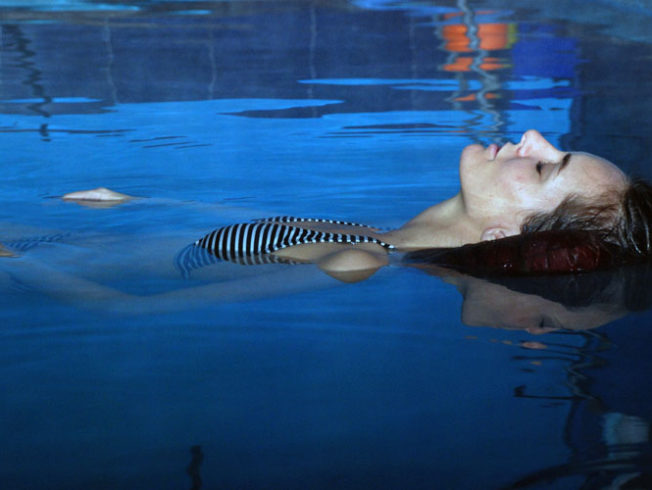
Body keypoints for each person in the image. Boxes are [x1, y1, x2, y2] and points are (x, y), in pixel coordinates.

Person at [63, 129, 652, 280]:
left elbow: (128, 313)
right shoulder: (377, 237)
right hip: (89, 240)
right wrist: (142, 201)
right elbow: (264, 231)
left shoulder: (357, 260)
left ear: (503, 236)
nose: (534, 140)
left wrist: (17, 258)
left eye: (547, 164)